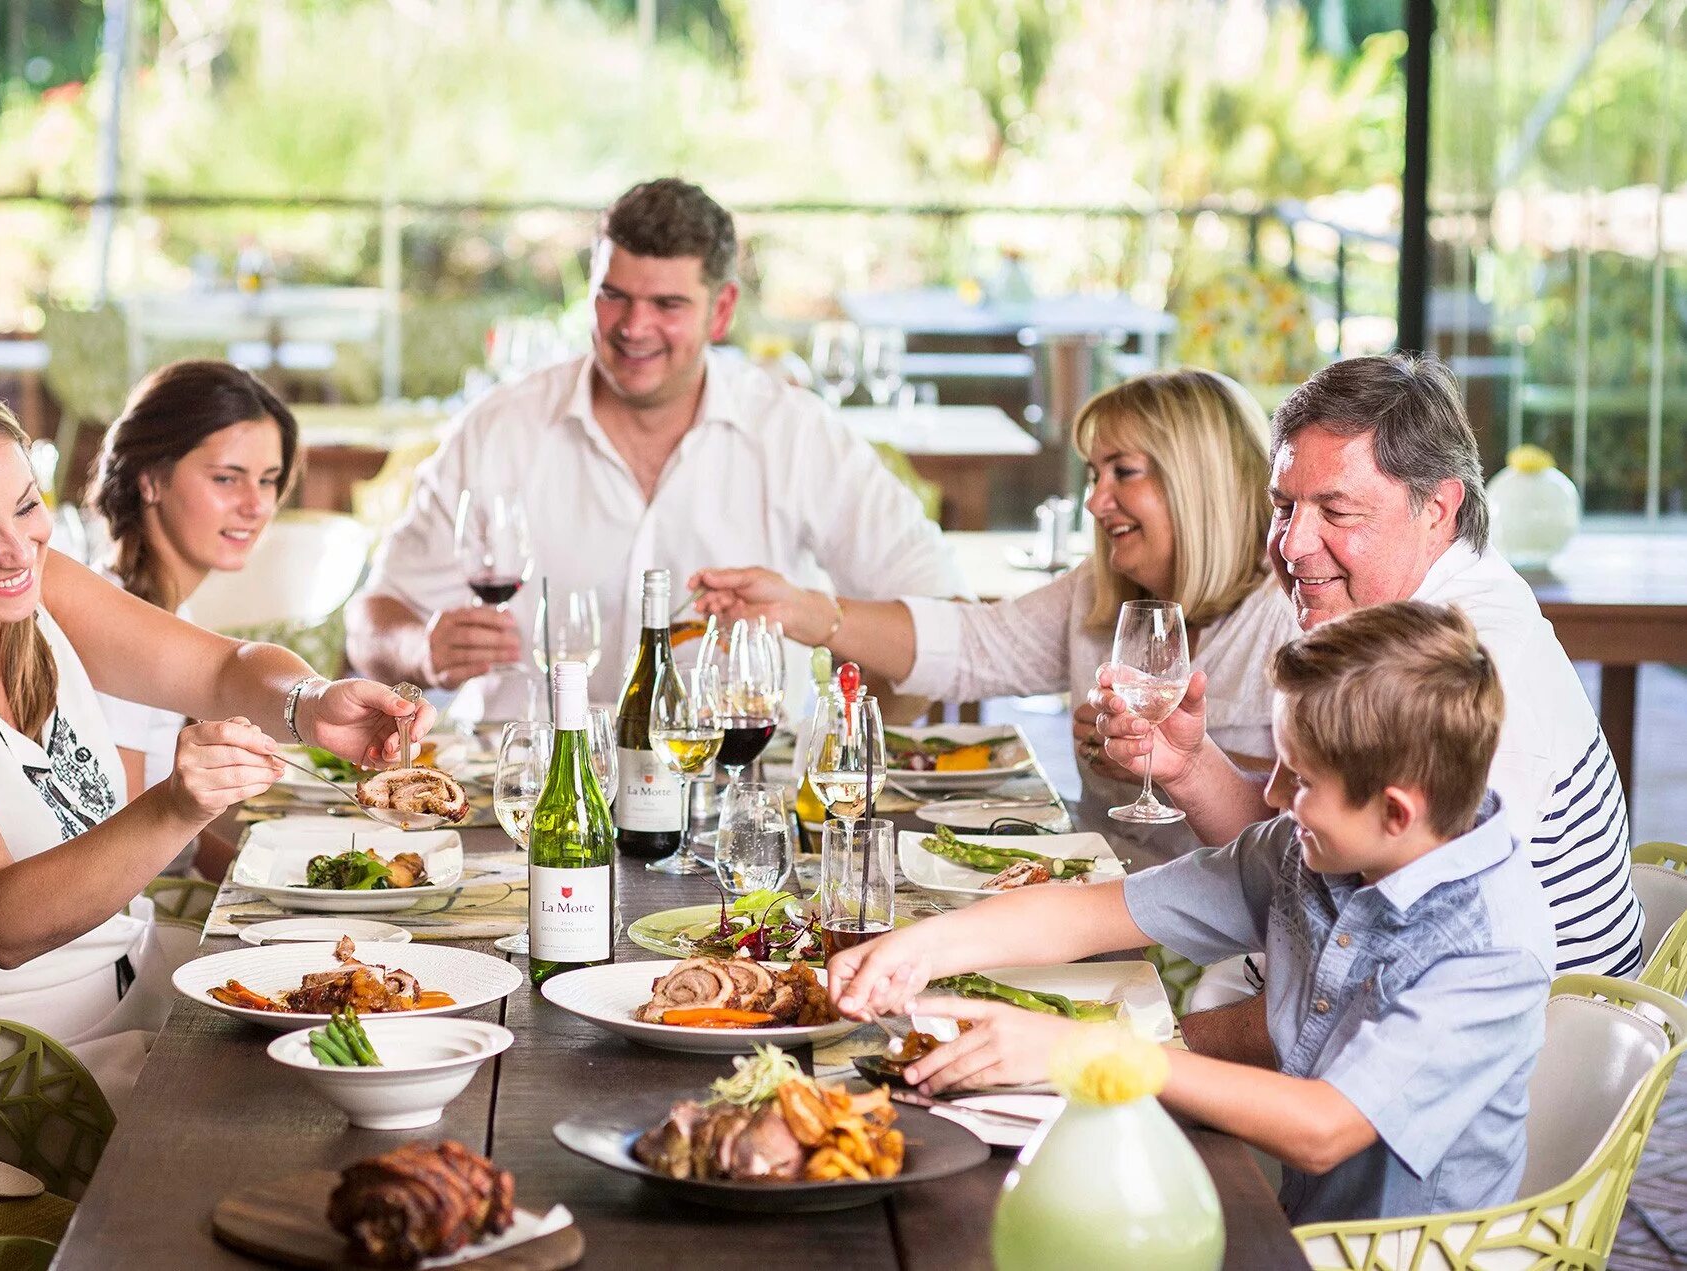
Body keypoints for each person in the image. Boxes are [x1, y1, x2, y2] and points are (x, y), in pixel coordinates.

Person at [0, 368, 426, 1108]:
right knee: (310, 1106)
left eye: (28, 506)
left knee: (392, 1012)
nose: (20, 548)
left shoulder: (33, 589)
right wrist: (175, 806)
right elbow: (0, 922)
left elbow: (223, 667)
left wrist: (312, 702)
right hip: (4, 1073)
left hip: (131, 995)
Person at [831, 602, 1555, 1225]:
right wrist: (922, 947)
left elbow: (1324, 1127)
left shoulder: (1488, 951)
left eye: (1300, 779)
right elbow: (1097, 912)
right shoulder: (1318, 850)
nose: (1270, 793)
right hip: (1294, 1217)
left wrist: (1075, 1048)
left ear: (1397, 810)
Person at [1092, 353, 1641, 978]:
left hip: (1524, 1054)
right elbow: (1308, 855)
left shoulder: (1463, 668)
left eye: (1338, 512)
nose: (1293, 545)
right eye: (1284, 507)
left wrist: (1153, 1047)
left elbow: (1382, 984)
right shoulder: (1403, 618)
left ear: (1437, 507)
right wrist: (1188, 765)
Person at [346, 177, 963, 718]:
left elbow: (941, 624)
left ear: (720, 312)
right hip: (522, 796)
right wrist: (420, 647)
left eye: (667, 304)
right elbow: (371, 622)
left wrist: (844, 704)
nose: (634, 328)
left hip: (730, 796)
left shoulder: (796, 433)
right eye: (614, 296)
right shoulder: (499, 428)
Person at [692, 368, 1300, 860]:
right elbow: (967, 646)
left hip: (1223, 937)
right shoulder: (1098, 596)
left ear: (1198, 480)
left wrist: (1168, 758)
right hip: (1107, 885)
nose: (1094, 499)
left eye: (1124, 472)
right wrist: (802, 608)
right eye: (1094, 474)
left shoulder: (1293, 613)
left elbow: (1309, 812)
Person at [87, 360, 300, 879]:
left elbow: (180, 843)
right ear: (152, 480)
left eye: (268, 481)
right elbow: (127, 843)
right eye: (227, 478)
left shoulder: (164, 607)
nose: (255, 506)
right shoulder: (120, 628)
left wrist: (275, 884)